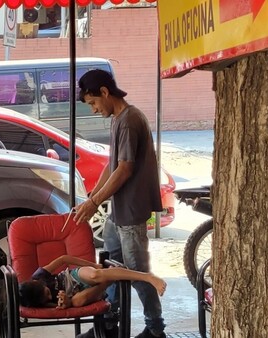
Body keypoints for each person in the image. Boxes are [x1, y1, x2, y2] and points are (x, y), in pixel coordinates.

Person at [73, 69, 166, 338]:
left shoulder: (128, 120)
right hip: (118, 212)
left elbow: (124, 170)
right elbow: (111, 166)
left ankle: (155, 329)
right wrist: (91, 199)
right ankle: (110, 322)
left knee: (138, 274)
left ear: (104, 92)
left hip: (132, 212)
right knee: (111, 269)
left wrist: (94, 203)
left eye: (93, 103)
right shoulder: (118, 119)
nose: (93, 109)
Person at [19, 254, 166, 309]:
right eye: (47, 299)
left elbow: (63, 259)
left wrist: (93, 264)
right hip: (85, 294)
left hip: (75, 276)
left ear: (38, 284)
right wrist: (64, 303)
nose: (50, 296)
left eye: (47, 293)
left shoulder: (39, 276)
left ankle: (148, 277)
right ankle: (109, 280)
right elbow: (67, 304)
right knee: (77, 302)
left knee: (96, 274)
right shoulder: (40, 301)